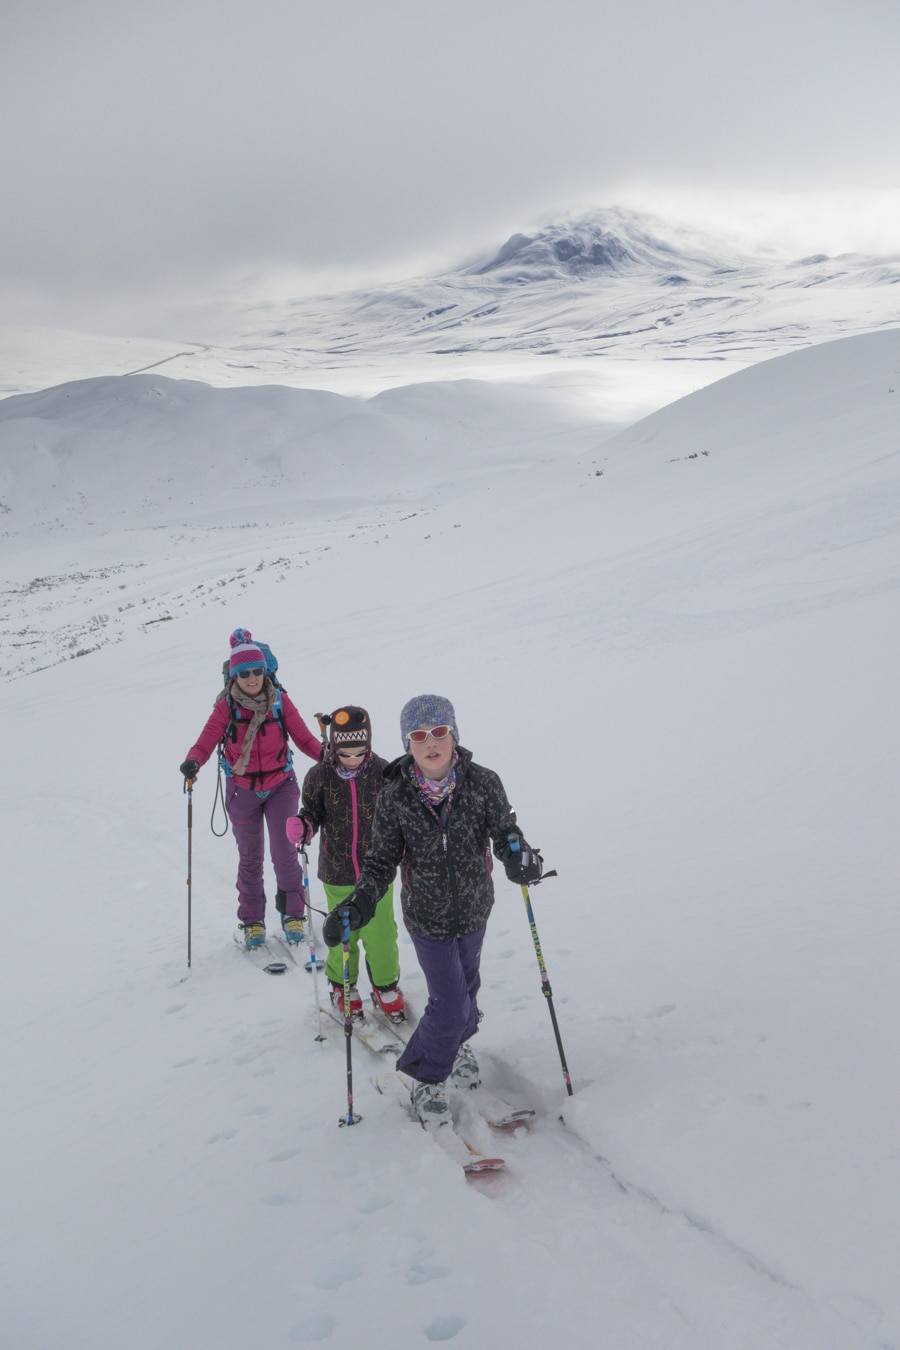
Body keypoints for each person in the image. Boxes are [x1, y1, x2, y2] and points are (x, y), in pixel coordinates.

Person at [321, 695, 543, 1129]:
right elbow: (381, 862)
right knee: (451, 1002)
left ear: (453, 735)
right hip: (427, 916)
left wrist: (521, 856)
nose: (431, 743)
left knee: (468, 991)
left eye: (439, 732)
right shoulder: (394, 796)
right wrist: (359, 903)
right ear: (408, 745)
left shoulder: (483, 783)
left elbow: (505, 833)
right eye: (419, 736)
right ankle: (426, 1076)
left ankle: (457, 1045)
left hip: (475, 909)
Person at [179, 628, 321, 948]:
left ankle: (293, 915)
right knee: (250, 857)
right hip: (242, 790)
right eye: (244, 672)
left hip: (281, 785)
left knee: (285, 853)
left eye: (257, 670)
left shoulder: (279, 700)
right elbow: (207, 739)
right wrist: (193, 762)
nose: (253, 677)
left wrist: (327, 757)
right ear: (234, 675)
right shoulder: (226, 706)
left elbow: (304, 738)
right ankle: (252, 921)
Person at [285, 706, 404, 1020]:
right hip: (337, 871)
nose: (352, 759)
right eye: (345, 753)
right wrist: (304, 826)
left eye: (359, 752)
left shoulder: (384, 772)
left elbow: (398, 816)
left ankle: (385, 983)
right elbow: (311, 813)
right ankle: (343, 984)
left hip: (378, 873)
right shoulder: (320, 775)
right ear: (334, 747)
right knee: (343, 933)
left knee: (381, 933)